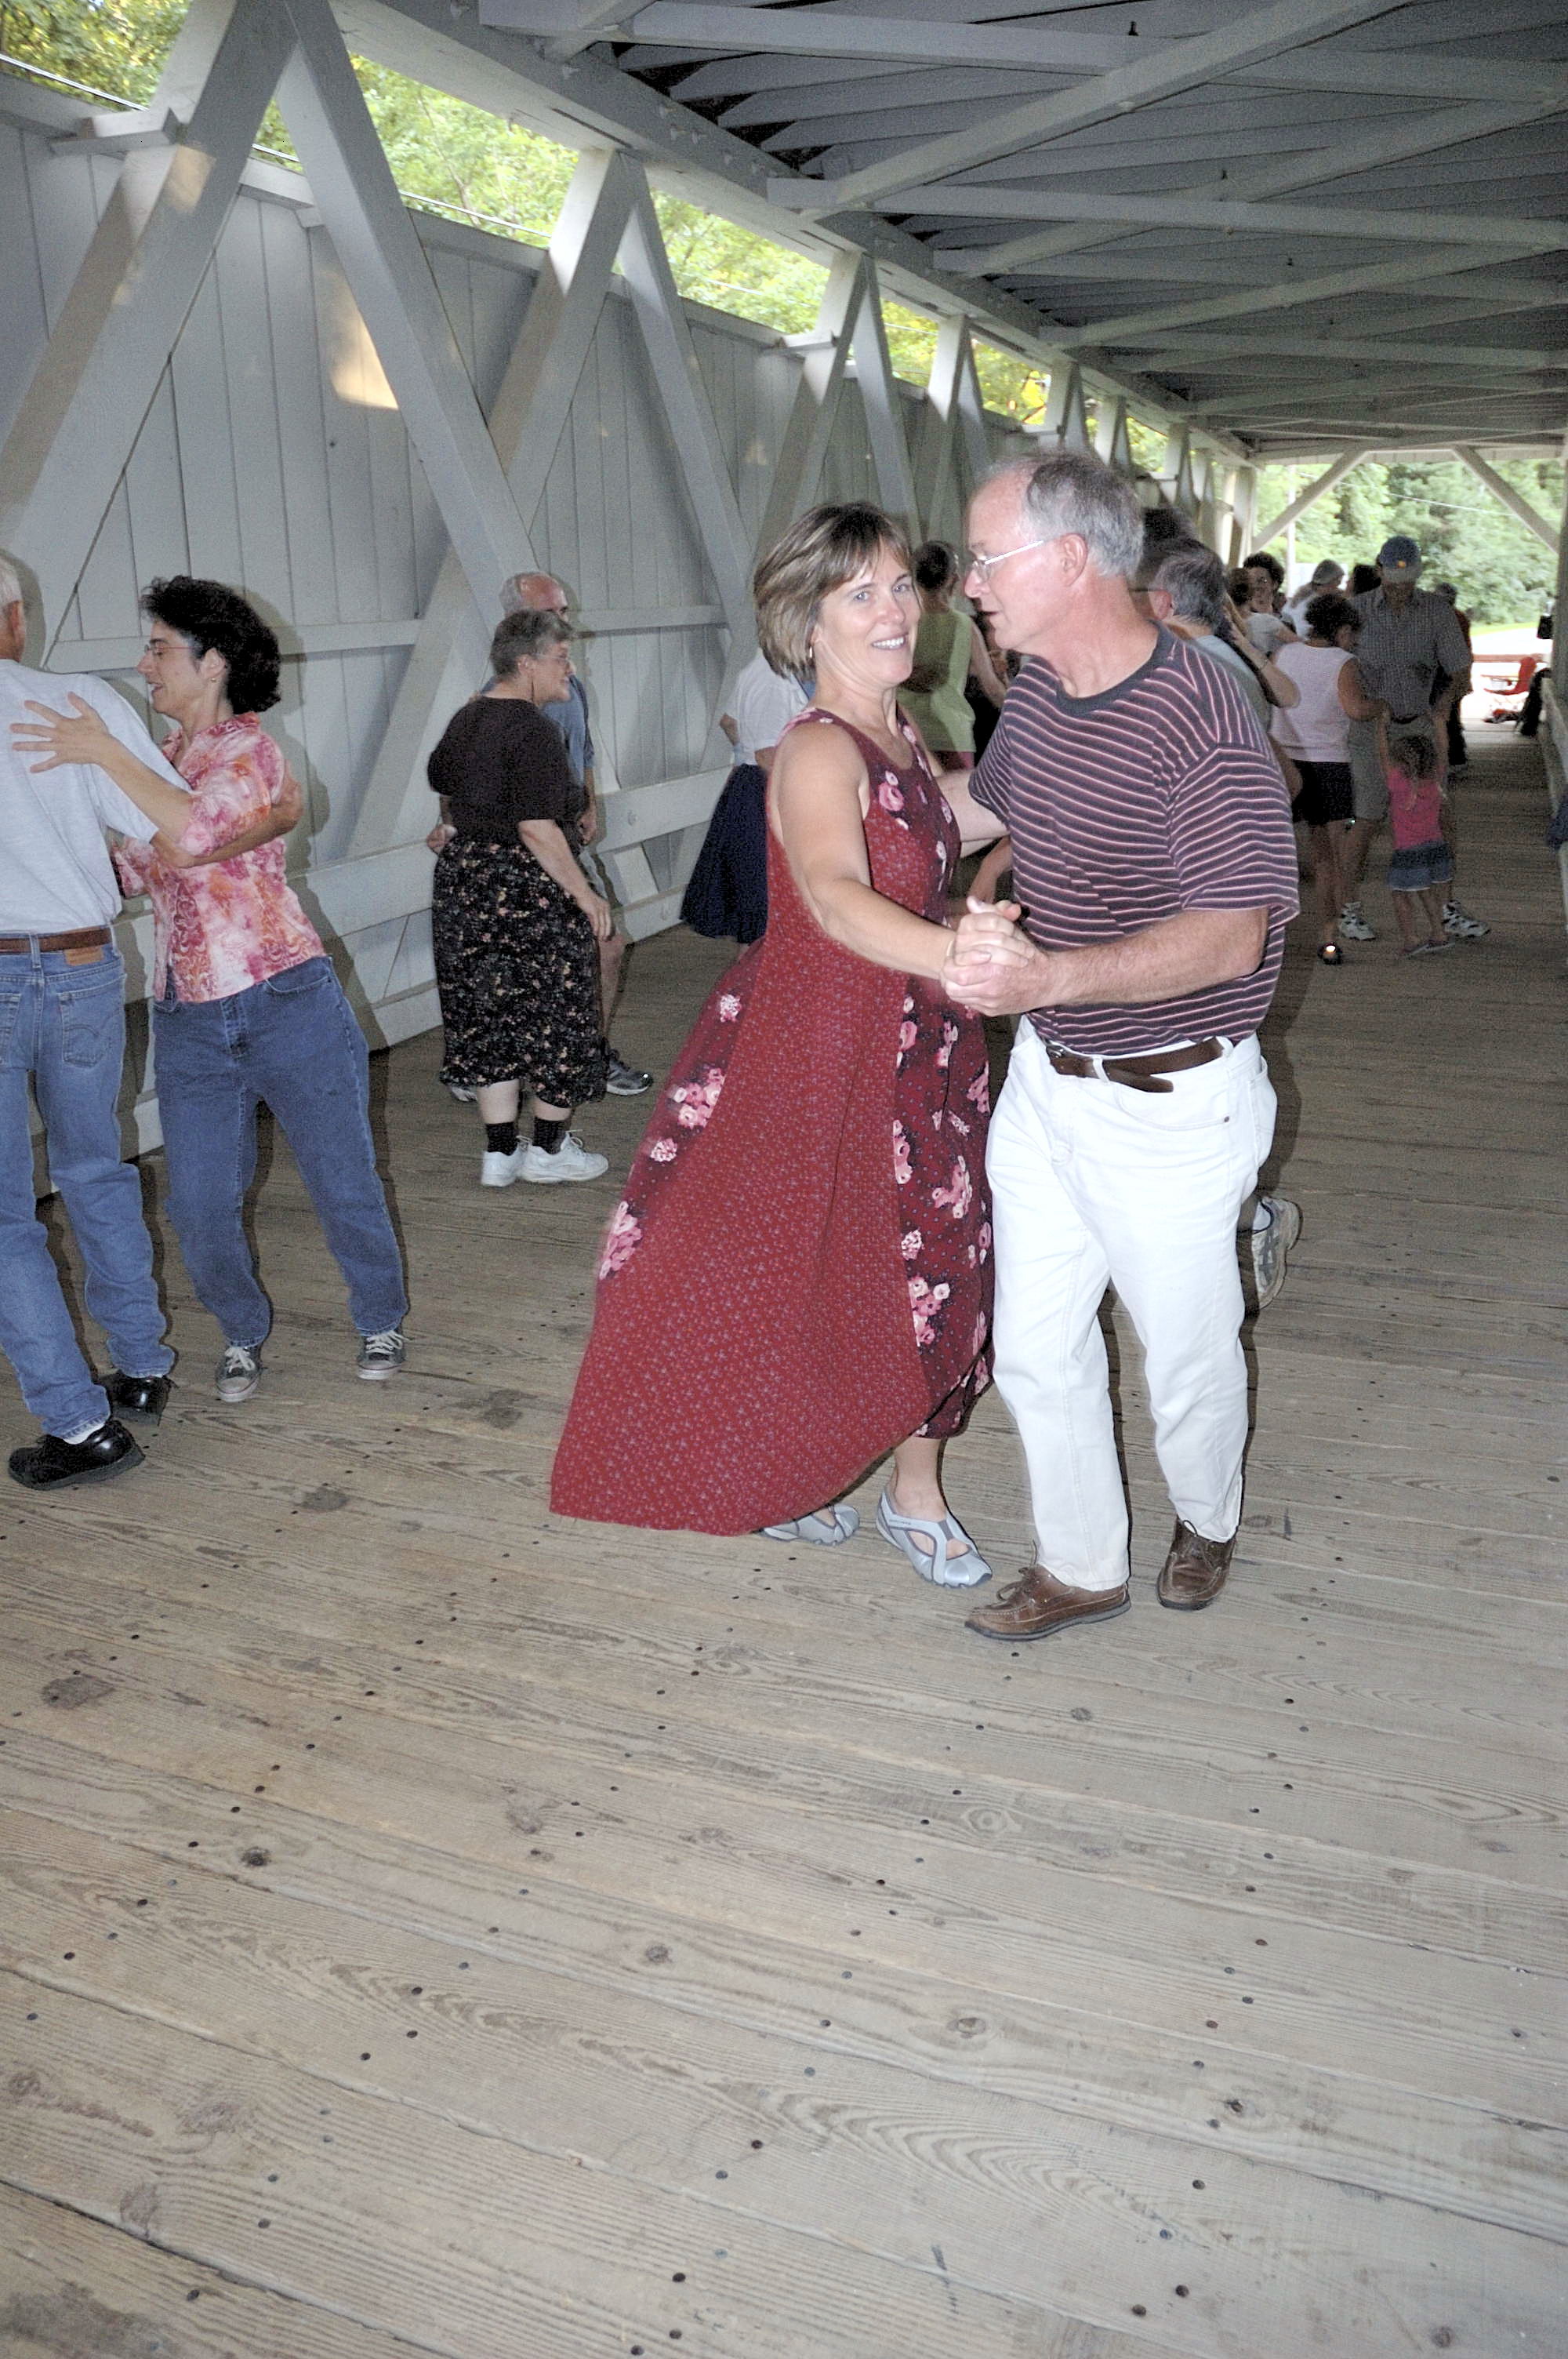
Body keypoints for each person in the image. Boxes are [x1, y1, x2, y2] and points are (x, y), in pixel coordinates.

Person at [552, 503, 1005, 1584]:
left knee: (938, 1259)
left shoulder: (898, 730)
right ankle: (827, 1478)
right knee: (846, 1265)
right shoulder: (813, 750)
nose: (895, 611)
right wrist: (963, 954)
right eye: (861, 594)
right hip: (825, 1047)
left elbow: (939, 816)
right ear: (807, 625)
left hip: (911, 1044)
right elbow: (837, 897)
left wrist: (1060, 770)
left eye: (901, 587)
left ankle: (905, 1486)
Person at [943, 453, 1298, 1643]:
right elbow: (989, 806)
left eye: (986, 558)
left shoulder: (1200, 710)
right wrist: (838, 785)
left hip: (1169, 1101)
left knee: (1183, 1358)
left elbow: (1230, 937)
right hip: (1049, 1081)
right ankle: (1082, 1563)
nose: (970, 583)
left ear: (1068, 559)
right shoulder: (1043, 686)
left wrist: (1046, 976)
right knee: (1034, 1345)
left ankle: (1207, 1515)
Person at [17, 576, 407, 1406]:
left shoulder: (250, 753)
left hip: (285, 997)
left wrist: (104, 752)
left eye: (159, 648)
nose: (144, 664)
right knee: (196, 1205)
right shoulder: (158, 764)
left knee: (341, 1179)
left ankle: (380, 1315)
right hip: (187, 1019)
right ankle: (240, 1329)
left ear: (214, 662)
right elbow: (122, 870)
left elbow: (192, 835)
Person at [0, 555, 191, 1488]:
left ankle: (78, 1426)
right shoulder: (80, 700)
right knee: (94, 1170)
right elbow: (177, 827)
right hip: (82, 964)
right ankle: (141, 1364)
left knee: (4, 1218)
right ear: (16, 619)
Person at [428, 609, 612, 1190]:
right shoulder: (533, 730)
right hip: (526, 889)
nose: (569, 668)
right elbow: (536, 827)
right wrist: (584, 895)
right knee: (558, 1012)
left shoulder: (467, 716)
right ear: (527, 663)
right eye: (561, 657)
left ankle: (500, 1152)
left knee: (488, 1010)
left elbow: (446, 785)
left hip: (466, 884)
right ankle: (550, 1151)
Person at [501, 572, 651, 1095]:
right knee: (527, 963)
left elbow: (581, 751)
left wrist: (589, 802)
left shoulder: (571, 687)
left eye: (565, 611)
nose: (564, 622)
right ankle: (492, 1064)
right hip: (523, 842)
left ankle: (590, 1055)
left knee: (606, 947)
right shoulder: (502, 703)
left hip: (565, 831)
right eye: (552, 614)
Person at [1341, 536, 1486, 944]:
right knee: (1368, 817)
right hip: (1371, 727)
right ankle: (1348, 909)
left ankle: (1447, 907)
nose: (1400, 589)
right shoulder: (1357, 611)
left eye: (1408, 581)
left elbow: (1459, 670)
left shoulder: (1437, 612)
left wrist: (1443, 705)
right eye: (1393, 580)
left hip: (1419, 724)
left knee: (1440, 814)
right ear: (1379, 571)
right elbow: (1336, 664)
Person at [1269, 591, 1386, 965]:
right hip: (1327, 764)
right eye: (1352, 635)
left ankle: (1267, 933)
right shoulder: (1344, 662)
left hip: (1282, 759)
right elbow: (1355, 709)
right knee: (1327, 858)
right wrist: (1382, 704)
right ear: (1342, 630)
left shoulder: (1284, 653)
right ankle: (1328, 936)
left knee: (1272, 852)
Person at [681, 646, 808, 942]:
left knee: (760, 919)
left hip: (751, 787)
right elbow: (767, 755)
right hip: (767, 793)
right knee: (764, 916)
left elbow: (729, 721)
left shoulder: (759, 668)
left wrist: (743, 751)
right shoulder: (773, 676)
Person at [898, 540, 1009, 773]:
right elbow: (992, 688)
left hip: (908, 732)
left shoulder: (902, 622)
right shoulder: (963, 625)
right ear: (953, 579)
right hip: (952, 735)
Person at [1385, 732, 1454, 955]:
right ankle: (1439, 933)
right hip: (1435, 845)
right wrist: (1439, 724)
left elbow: (1382, 757)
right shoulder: (1435, 779)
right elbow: (1443, 749)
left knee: (1400, 893)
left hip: (1408, 850)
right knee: (1428, 891)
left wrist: (1380, 729)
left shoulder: (1397, 781)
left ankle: (1411, 938)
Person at [1432, 580, 1472, 773]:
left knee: (1446, 716)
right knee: (1452, 716)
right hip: (1456, 673)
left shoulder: (1446, 618)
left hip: (1446, 674)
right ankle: (1456, 756)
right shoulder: (1459, 617)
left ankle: (1453, 758)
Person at [1238, 551, 1294, 655]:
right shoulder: (1240, 619)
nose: (1255, 586)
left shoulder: (1286, 620)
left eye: (1262, 581)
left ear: (1274, 584)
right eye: (1250, 581)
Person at [1283, 558, 1344, 627]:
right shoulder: (1318, 604)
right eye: (1338, 583)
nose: (1339, 589)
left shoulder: (1300, 596)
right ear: (1329, 581)